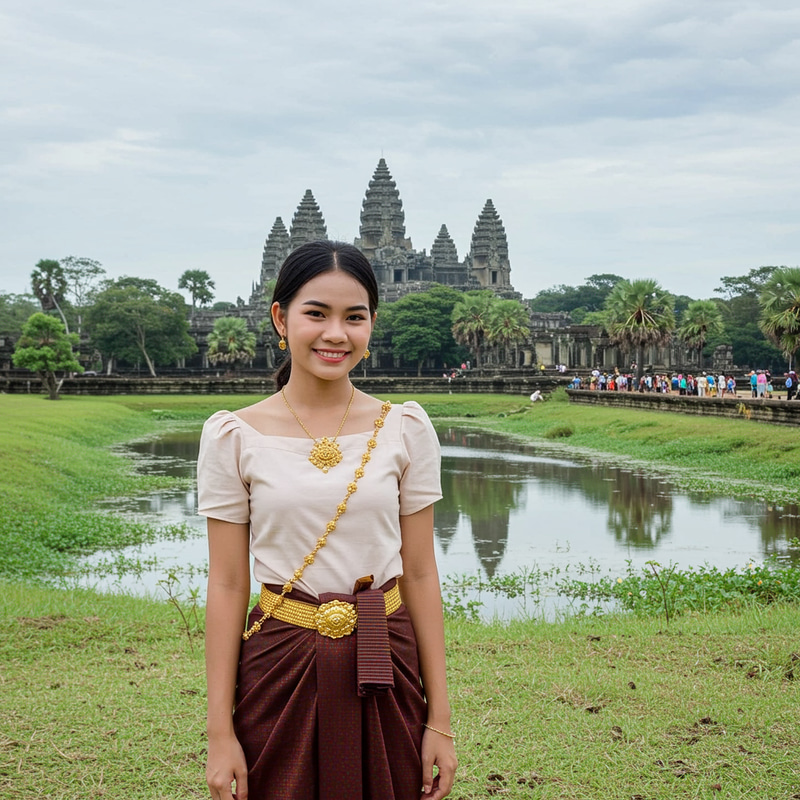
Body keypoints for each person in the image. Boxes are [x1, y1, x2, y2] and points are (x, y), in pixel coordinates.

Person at [198, 241, 457, 800]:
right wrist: (220, 731)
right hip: (279, 659)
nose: (335, 333)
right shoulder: (233, 436)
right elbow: (225, 583)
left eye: (354, 317)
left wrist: (440, 718)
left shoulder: (406, 429)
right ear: (280, 318)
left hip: (384, 654)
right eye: (316, 313)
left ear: (371, 326)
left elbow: (419, 574)